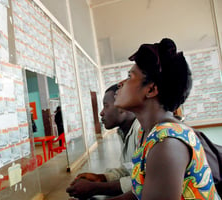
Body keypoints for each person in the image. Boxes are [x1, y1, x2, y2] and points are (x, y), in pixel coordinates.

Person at [110, 38, 220, 199]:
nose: (120, 84)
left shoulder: (167, 143)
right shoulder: (146, 133)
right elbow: (138, 194)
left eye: (129, 76)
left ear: (151, 89)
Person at [66, 84, 141, 199]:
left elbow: (143, 183)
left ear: (123, 107)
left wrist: (96, 188)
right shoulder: (123, 132)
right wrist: (101, 178)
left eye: (106, 106)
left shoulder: (141, 132)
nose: (101, 113)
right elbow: (128, 170)